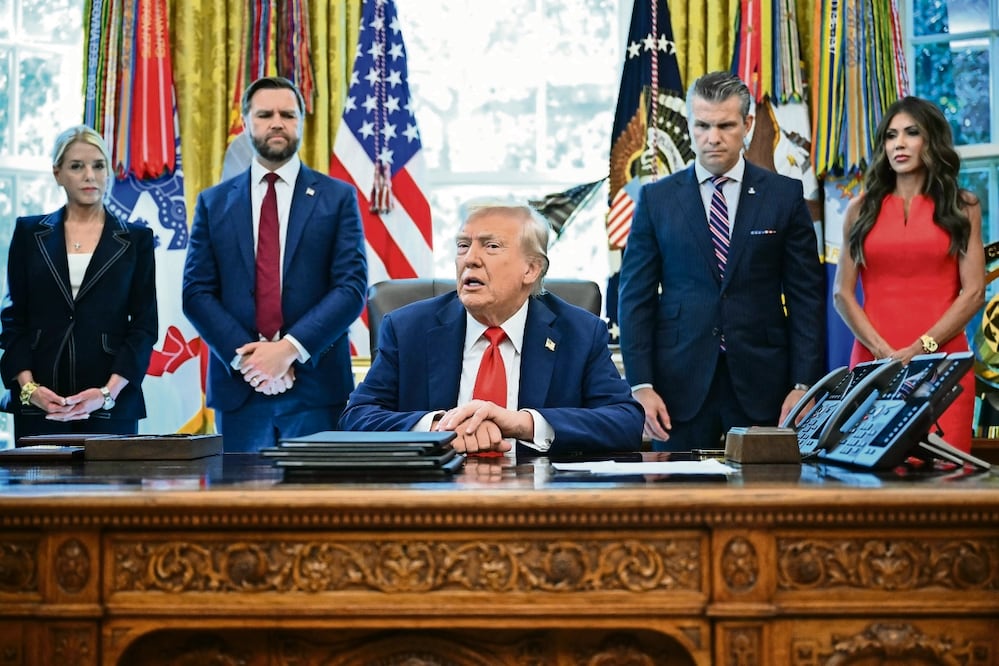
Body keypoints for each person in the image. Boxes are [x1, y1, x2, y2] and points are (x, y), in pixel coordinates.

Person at [617, 71, 825, 452]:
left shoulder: (784, 196)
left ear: (747, 124)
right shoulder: (656, 199)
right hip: (676, 388)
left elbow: (807, 299)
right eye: (703, 125)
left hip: (766, 386)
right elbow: (635, 299)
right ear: (690, 125)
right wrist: (641, 385)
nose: (713, 138)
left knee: (762, 504)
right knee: (680, 504)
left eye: (726, 125)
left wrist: (804, 385)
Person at [339, 203, 644, 457]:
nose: (469, 259)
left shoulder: (579, 332)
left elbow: (625, 422)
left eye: (491, 246)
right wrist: (438, 428)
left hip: (540, 503)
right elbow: (356, 417)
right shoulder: (408, 328)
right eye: (462, 246)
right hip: (433, 502)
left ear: (531, 269)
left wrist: (525, 424)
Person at [183, 76, 367, 452]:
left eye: (288, 113)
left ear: (301, 121)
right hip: (240, 391)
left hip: (316, 390)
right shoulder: (213, 203)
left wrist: (287, 351)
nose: (277, 122)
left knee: (315, 508)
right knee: (241, 509)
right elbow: (196, 293)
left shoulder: (338, 198)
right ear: (247, 121)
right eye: (265, 114)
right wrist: (250, 359)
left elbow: (351, 288)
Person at [833, 96, 985, 454]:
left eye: (911, 133)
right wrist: (882, 351)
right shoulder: (860, 208)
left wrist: (920, 349)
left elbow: (975, 292)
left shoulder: (963, 206)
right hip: (874, 364)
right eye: (891, 135)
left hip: (943, 364)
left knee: (945, 488)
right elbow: (842, 293)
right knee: (871, 485)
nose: (898, 143)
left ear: (931, 140)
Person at [0, 125, 158, 443]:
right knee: (38, 493)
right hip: (40, 403)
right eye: (77, 166)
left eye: (98, 165)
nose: (90, 175)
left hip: (112, 405)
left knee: (110, 494)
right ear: (58, 173)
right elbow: (13, 319)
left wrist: (107, 393)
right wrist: (29, 390)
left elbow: (143, 328)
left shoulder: (136, 239)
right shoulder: (29, 234)